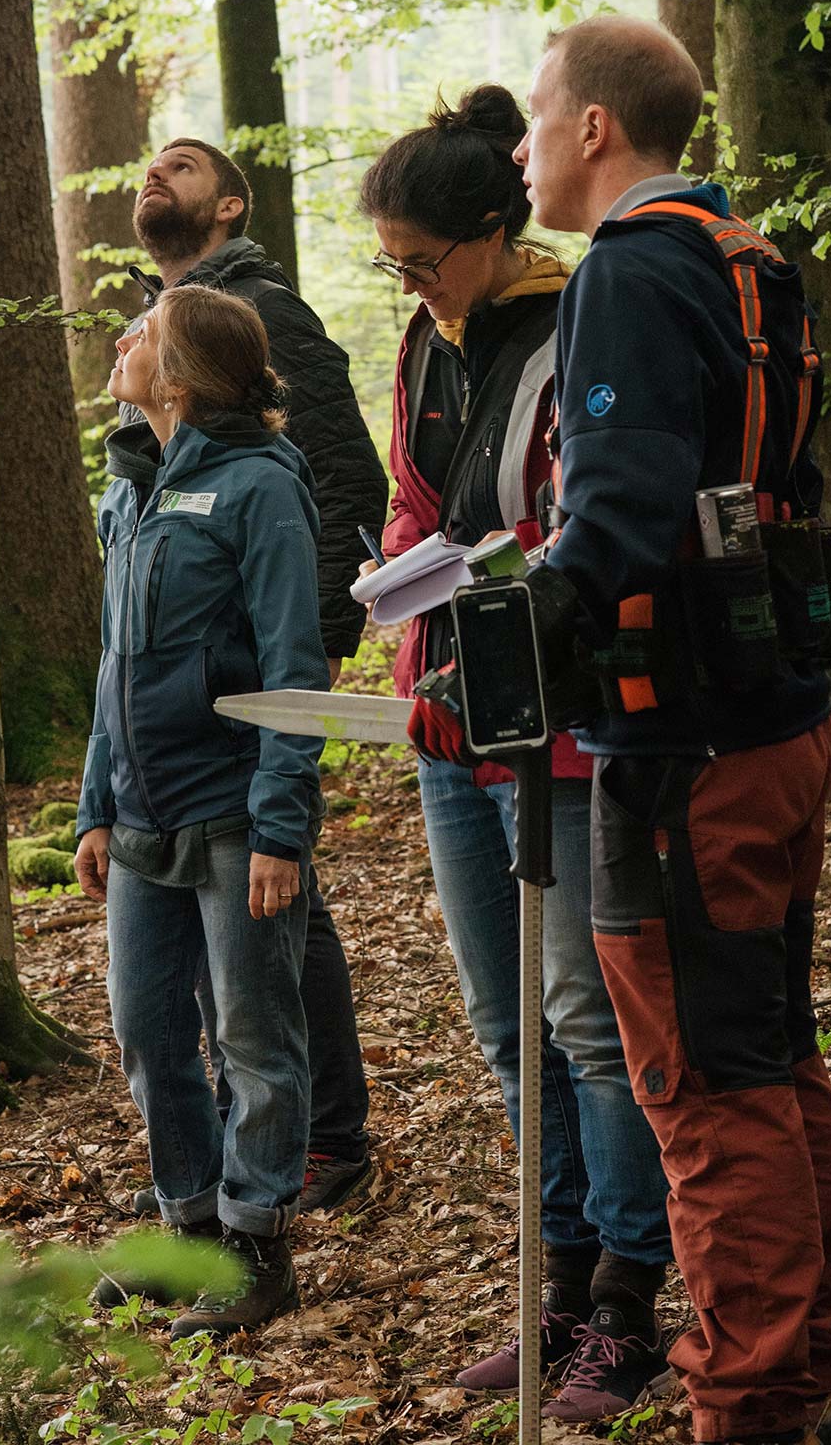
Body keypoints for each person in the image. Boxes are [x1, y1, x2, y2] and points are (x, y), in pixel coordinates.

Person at [477, 13, 831, 1445]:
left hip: (687, 743)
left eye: (535, 116)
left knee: (705, 1088)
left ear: (593, 130)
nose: (515, 148)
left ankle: (750, 1400)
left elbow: (623, 517)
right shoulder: (746, 254)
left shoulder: (632, 272)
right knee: (767, 1056)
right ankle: (804, 1375)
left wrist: (508, 632)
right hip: (773, 712)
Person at [359, 88, 675, 1421]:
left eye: (426, 265)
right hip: (447, 723)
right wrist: (411, 648)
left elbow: (563, 534)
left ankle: (624, 1305)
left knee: (582, 1023)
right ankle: (550, 1287)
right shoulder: (427, 350)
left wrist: (478, 649)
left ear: (492, 231)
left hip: (558, 724)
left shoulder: (574, 322)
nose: (417, 291)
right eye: (397, 272)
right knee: (505, 1026)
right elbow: (416, 507)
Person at [121, 138, 388, 1212]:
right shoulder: (169, 327)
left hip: (265, 664)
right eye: (148, 165)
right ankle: (258, 1148)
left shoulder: (263, 310)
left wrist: (316, 647)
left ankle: (322, 1137)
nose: (154, 175)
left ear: (228, 205)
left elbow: (340, 472)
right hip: (180, 709)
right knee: (259, 918)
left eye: (180, 167)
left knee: (278, 905)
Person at [75, 282, 328, 1335]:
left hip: (231, 811)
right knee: (144, 1031)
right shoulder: (130, 489)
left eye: (143, 331)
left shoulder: (259, 487)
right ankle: (182, 1232)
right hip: (139, 814)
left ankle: (256, 1246)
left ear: (178, 375)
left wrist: (281, 822)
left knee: (251, 1032)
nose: (122, 341)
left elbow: (293, 663)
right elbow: (113, 665)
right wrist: (93, 803)